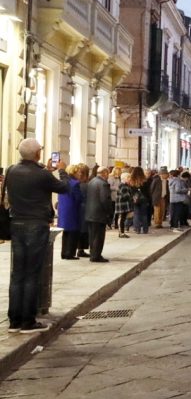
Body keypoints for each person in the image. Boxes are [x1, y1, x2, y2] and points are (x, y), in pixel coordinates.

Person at [6, 139, 70, 333]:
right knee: (32, 274)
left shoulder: (11, 171)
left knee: (17, 274)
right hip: (36, 225)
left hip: (16, 224)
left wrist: (44, 170)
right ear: (36, 154)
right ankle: (28, 321)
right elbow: (64, 188)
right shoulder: (42, 175)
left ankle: (14, 321)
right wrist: (62, 170)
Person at [84, 167, 113, 262]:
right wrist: (109, 212)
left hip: (90, 213)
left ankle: (93, 253)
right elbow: (105, 200)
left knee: (92, 236)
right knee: (99, 236)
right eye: (107, 173)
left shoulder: (91, 181)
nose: (108, 175)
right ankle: (96, 256)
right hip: (99, 213)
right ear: (104, 173)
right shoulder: (103, 184)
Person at [56, 164, 85, 260]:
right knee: (73, 232)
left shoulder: (63, 182)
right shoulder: (74, 183)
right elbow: (78, 197)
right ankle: (70, 253)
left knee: (66, 232)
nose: (80, 174)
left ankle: (64, 252)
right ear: (74, 172)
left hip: (64, 209)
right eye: (78, 172)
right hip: (72, 209)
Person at [129, 167, 152, 234]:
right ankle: (145, 229)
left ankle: (137, 229)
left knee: (136, 214)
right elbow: (148, 191)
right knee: (144, 214)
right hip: (144, 199)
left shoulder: (132, 180)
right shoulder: (145, 180)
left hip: (135, 199)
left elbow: (131, 191)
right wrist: (148, 199)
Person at [113, 172, 132, 238]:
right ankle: (121, 233)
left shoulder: (125, 185)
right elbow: (126, 196)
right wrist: (132, 197)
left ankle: (122, 232)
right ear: (125, 178)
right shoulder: (123, 186)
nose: (130, 179)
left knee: (123, 219)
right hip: (121, 205)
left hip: (123, 205)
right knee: (121, 219)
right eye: (129, 178)